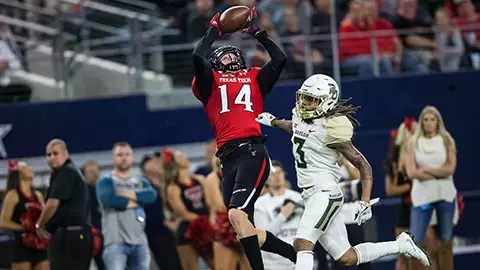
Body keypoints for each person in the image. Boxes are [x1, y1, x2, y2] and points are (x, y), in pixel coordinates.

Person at [255, 74, 431, 270]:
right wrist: (274, 122)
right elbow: (296, 128)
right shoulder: (301, 117)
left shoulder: (331, 127)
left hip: (325, 193)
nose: (305, 103)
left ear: (327, 101)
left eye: (313, 99)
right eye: (304, 97)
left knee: (302, 243)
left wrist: (365, 200)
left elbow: (363, 165)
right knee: (346, 257)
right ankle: (400, 244)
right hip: (311, 194)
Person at [192, 6, 296, 269]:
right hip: (227, 159)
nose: (229, 58)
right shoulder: (210, 83)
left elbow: (280, 59)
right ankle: (298, 256)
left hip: (251, 150)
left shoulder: (254, 77)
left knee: (236, 213)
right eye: (222, 57)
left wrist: (259, 34)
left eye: (232, 54)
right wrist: (214, 30)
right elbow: (197, 56)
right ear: (216, 64)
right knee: (243, 227)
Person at [405, 105, 457, 270]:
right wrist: (439, 174)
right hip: (422, 197)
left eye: (432, 119)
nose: (429, 123)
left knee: (446, 239)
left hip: (445, 195)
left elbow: (451, 169)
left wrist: (426, 170)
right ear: (421, 122)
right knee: (415, 240)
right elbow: (412, 172)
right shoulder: (413, 142)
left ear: (438, 121)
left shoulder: (447, 139)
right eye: (426, 120)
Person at [96, 141, 157, 270]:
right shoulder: (106, 181)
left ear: (132, 157)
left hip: (140, 242)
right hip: (115, 243)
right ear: (114, 158)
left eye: (127, 154)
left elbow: (151, 196)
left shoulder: (141, 181)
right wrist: (138, 200)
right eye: (120, 155)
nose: (124, 158)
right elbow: (111, 200)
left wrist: (123, 193)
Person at [35, 139, 92, 270]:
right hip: (79, 235)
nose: (51, 158)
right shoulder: (73, 171)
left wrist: (40, 225)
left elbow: (52, 204)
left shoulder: (65, 172)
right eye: (48, 155)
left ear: (65, 153)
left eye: (55, 153)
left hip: (69, 236)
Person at [164, 149, 215, 270]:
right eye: (179, 156)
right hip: (187, 232)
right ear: (173, 163)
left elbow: (210, 203)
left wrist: (211, 222)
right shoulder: (173, 187)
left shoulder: (200, 180)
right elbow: (182, 213)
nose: (184, 157)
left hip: (206, 228)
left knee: (218, 266)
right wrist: (203, 221)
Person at [254, 160, 304, 270]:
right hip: (274, 264)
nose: (277, 176)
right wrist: (282, 216)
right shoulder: (259, 204)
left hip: (299, 260)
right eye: (272, 174)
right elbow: (262, 238)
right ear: (265, 179)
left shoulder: (299, 198)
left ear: (284, 174)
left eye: (279, 172)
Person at [0, 160, 48, 270]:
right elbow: (3, 222)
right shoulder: (12, 195)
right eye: (25, 167)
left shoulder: (38, 195)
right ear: (17, 173)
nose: (30, 169)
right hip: (21, 245)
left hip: (39, 245)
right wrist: (25, 227)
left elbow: (44, 217)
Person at [204, 157, 250, 270]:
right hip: (224, 228)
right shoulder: (213, 178)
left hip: (244, 225)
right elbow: (220, 205)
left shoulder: (242, 174)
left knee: (250, 265)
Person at [141, 151, 182, 270]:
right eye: (154, 161)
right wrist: (165, 222)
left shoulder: (166, 185)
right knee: (168, 264)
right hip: (156, 232)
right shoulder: (143, 185)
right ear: (145, 167)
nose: (158, 163)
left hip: (173, 231)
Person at [82, 160, 105, 270]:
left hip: (105, 233)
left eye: (96, 171)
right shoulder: (82, 192)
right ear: (84, 175)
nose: (94, 174)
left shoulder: (104, 189)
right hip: (90, 234)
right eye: (90, 172)